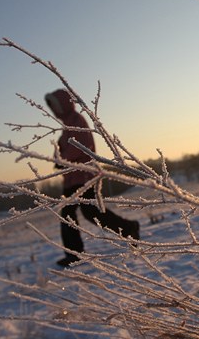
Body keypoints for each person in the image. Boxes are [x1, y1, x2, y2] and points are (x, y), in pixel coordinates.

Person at [45, 88, 140, 267]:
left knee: (90, 213)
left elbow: (77, 148)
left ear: (63, 104)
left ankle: (128, 228)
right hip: (72, 178)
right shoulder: (67, 125)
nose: (53, 110)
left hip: (84, 176)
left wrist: (61, 157)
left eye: (55, 106)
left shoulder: (76, 120)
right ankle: (74, 253)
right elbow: (63, 151)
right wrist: (59, 156)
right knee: (69, 214)